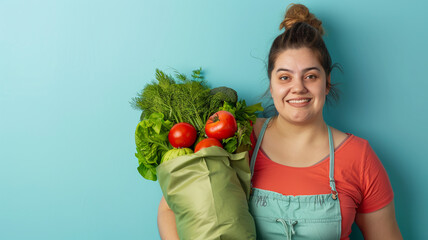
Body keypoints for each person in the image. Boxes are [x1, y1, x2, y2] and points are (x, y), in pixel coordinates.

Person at [158, 3, 402, 239]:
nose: (298, 88)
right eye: (285, 77)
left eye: (311, 76)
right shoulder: (238, 139)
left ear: (326, 83)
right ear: (271, 85)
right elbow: (170, 209)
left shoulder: (359, 158)